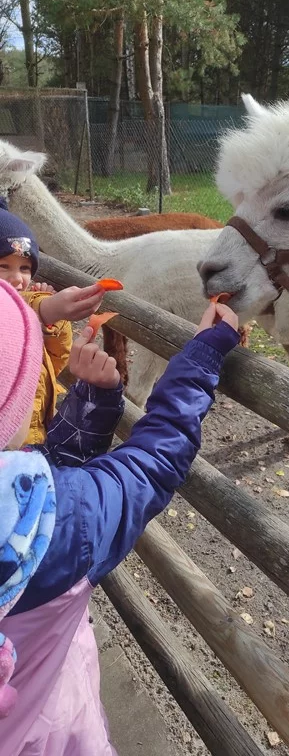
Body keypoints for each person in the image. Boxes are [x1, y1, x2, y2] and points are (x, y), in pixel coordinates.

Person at [0, 277, 240, 755]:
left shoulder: (30, 503)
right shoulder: (64, 525)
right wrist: (203, 353)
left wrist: (92, 402)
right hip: (51, 732)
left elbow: (44, 483)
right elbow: (152, 461)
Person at [0, 197, 105, 446]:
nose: (17, 279)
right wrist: (45, 308)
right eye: (4, 266)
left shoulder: (27, 300)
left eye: (25, 268)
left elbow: (54, 363)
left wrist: (50, 322)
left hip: (36, 435)